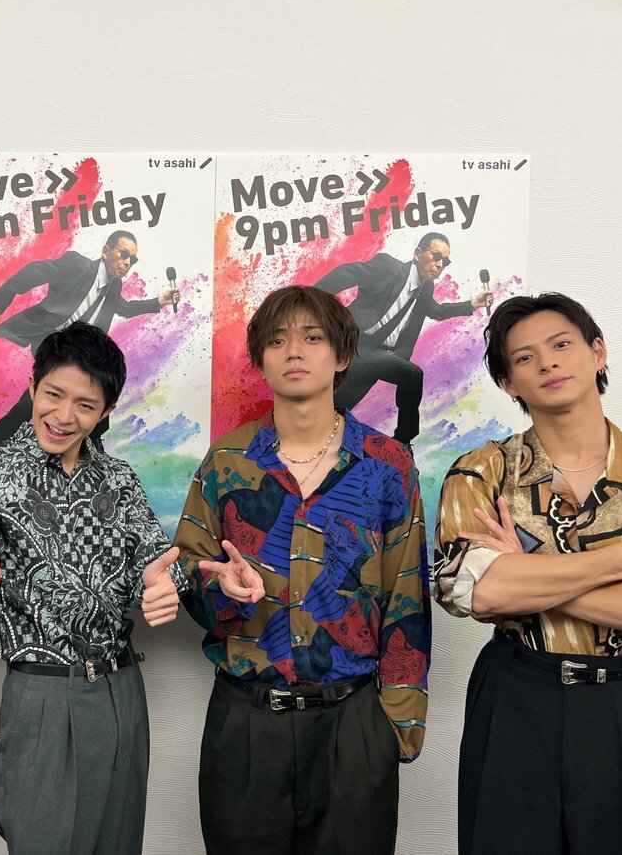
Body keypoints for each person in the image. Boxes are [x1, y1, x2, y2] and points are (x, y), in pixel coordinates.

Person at [434, 292, 622, 854]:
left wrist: (522, 573)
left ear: (597, 352)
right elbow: (468, 591)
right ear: (509, 383)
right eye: (525, 357)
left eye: (561, 345)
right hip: (516, 698)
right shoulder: (482, 471)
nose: (548, 363)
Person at [174, 285, 430, 854]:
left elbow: (407, 594)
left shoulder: (388, 464)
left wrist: (396, 725)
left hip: (353, 720)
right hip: (246, 721)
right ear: (261, 360)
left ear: (342, 356)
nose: (294, 351)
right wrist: (221, 587)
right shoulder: (226, 461)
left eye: (312, 338)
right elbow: (188, 568)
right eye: (277, 340)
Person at [0, 322, 184, 855]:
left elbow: (155, 564)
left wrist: (165, 584)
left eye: (85, 405)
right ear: (32, 387)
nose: (64, 416)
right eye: (53, 395)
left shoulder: (119, 478)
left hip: (122, 690)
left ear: (106, 410)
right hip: (42, 694)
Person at [0, 229, 180, 455]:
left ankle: (91, 448)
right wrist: (1, 299)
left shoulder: (114, 286)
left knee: (90, 390)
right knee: (51, 394)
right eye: (124, 254)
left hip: (81, 351)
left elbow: (125, 308)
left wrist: (159, 301)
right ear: (106, 252)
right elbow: (34, 272)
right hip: (51, 341)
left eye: (133, 259)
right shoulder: (77, 266)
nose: (128, 262)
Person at [316, 231, 491, 443]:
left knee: (337, 408)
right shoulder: (388, 267)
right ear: (418, 254)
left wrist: (472, 304)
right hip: (355, 342)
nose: (440, 264)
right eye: (436, 256)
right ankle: (404, 440)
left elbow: (436, 311)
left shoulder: (426, 287)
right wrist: (309, 302)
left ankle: (317, 442)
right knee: (412, 375)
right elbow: (345, 274)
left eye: (445, 261)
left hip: (377, 356)